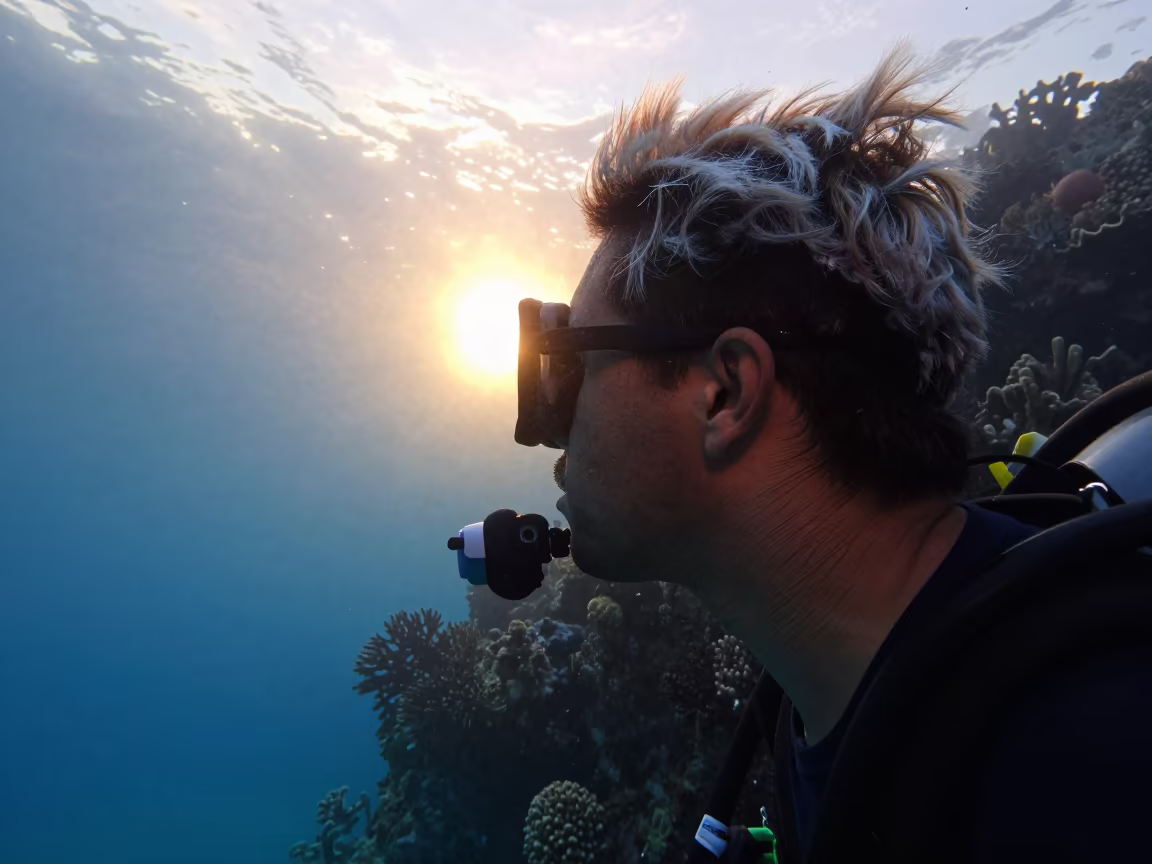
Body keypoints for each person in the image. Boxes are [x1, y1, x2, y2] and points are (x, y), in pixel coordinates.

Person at [544, 43, 1152, 861]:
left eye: (575, 362)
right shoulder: (840, 713)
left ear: (724, 391)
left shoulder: (1086, 761)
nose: (547, 421)